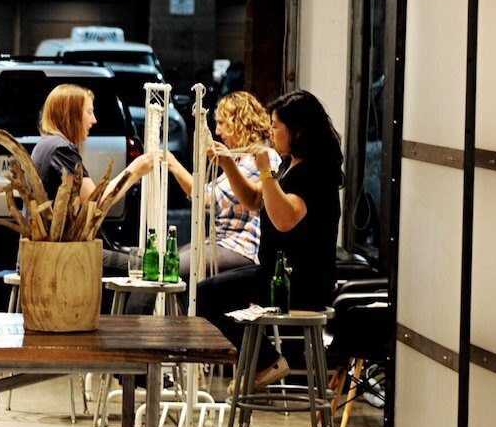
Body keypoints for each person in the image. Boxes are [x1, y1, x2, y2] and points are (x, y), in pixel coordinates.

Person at [196, 89, 344, 389]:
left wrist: (265, 171)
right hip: (275, 273)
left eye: (276, 126)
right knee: (208, 293)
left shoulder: (315, 173)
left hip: (300, 282)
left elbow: (284, 218)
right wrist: (228, 165)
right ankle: (261, 361)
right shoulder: (292, 164)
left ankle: (265, 361)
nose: (270, 132)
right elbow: (254, 200)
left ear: (298, 130)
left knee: (209, 295)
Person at [30, 83, 158, 271]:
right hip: (57, 257)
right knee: (146, 269)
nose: (94, 120)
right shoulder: (60, 149)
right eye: (89, 112)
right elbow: (96, 202)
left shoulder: (49, 144)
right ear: (71, 114)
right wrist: (135, 170)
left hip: (55, 251)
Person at [165, 90, 281, 281]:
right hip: (221, 241)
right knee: (168, 262)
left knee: (169, 268)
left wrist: (173, 164)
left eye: (221, 123)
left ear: (240, 123)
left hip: (239, 246)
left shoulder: (261, 159)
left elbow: (210, 199)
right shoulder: (240, 160)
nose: (217, 131)